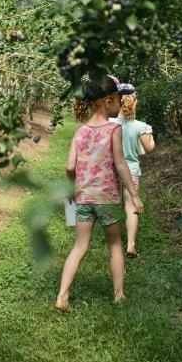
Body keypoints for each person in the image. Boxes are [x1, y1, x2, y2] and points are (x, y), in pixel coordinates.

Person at [56, 75, 144, 312]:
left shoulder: (80, 131)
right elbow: (121, 164)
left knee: (79, 246)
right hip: (107, 198)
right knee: (114, 244)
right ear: (107, 101)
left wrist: (71, 194)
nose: (119, 104)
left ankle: (62, 296)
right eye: (117, 99)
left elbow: (69, 167)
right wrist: (134, 195)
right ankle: (118, 294)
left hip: (82, 197)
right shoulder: (113, 129)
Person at [109, 83, 155, 258]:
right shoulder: (141, 126)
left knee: (112, 207)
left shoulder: (109, 123)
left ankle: (113, 243)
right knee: (131, 208)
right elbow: (149, 148)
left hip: (112, 171)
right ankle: (130, 245)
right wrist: (151, 136)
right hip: (132, 172)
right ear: (134, 101)